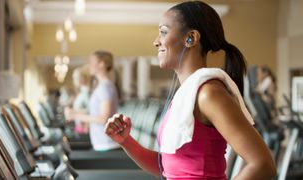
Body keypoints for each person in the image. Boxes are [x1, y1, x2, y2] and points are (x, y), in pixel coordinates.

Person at [104, 1, 276, 180]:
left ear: (191, 38)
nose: (156, 42)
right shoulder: (185, 96)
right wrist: (126, 141)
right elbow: (170, 168)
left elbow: (263, 164)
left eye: (163, 32)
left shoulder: (208, 94)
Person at [65, 50, 120, 151]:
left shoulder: (105, 87)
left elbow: (104, 118)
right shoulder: (101, 86)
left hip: (107, 145)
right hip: (101, 144)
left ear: (101, 64)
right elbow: (95, 112)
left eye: (91, 62)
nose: (89, 65)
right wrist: (76, 112)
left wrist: (76, 116)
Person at [71, 65, 92, 134]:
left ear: (83, 78)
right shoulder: (82, 92)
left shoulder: (87, 92)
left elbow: (91, 111)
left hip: (84, 129)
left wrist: (74, 112)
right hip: (79, 126)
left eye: (76, 77)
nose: (74, 80)